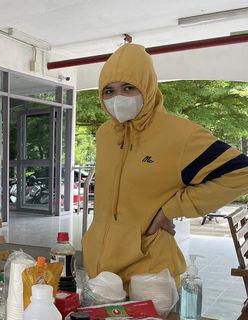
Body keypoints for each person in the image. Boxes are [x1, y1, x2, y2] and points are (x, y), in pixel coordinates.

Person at [82, 44, 248, 290]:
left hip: (150, 272)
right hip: (102, 270)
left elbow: (241, 172)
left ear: (147, 86)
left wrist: (171, 209)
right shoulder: (105, 134)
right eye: (109, 90)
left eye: (128, 88)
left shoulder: (180, 134)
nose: (118, 98)